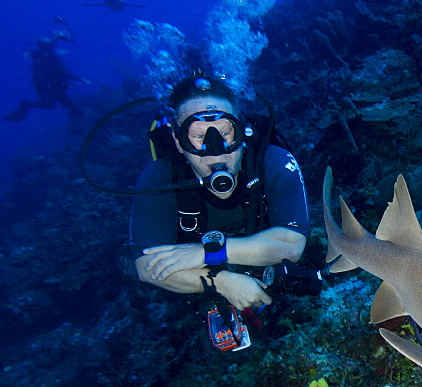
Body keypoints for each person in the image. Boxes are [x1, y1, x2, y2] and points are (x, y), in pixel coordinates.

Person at [129, 75, 309, 315]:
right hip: (199, 298)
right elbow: (145, 266)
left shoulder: (274, 161)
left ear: (240, 131)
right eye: (198, 136)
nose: (215, 150)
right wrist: (221, 282)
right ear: (178, 140)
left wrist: (204, 253)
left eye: (224, 133)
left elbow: (292, 245)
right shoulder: (158, 179)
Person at [5, 18, 86, 122]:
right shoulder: (48, 59)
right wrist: (79, 79)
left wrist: (56, 37)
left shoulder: (42, 57)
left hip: (52, 86)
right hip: (49, 87)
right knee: (51, 105)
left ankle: (79, 121)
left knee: (68, 108)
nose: (52, 47)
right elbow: (63, 73)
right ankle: (26, 104)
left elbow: (61, 71)